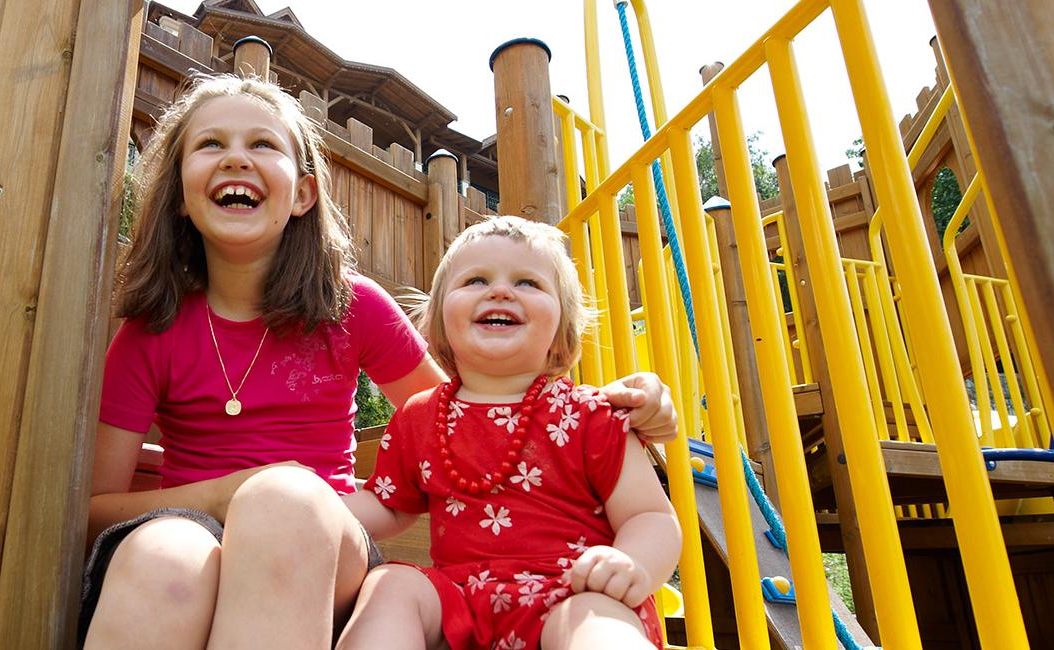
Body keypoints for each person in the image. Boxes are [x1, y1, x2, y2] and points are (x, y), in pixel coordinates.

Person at [84, 74, 678, 650]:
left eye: (262, 143)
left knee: (284, 502)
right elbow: (97, 510)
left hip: (322, 533)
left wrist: (616, 417)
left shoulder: (353, 306)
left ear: (303, 193)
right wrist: (222, 496)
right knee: (161, 557)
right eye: (211, 144)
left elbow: (475, 416)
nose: (236, 158)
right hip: (189, 524)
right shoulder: (151, 334)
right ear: (181, 197)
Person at [336, 216, 680, 650]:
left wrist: (632, 563)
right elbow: (389, 505)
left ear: (562, 330)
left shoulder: (591, 415)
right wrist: (317, 508)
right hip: (458, 599)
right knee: (391, 584)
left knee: (597, 616)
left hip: (571, 590)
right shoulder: (419, 416)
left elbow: (649, 516)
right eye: (477, 280)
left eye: (528, 283)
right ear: (440, 320)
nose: (500, 291)